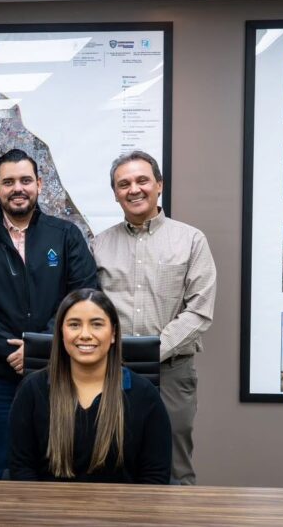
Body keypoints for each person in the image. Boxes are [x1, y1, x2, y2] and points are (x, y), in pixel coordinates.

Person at [0, 148, 99, 480]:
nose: (17, 188)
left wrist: (38, 346)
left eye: (25, 180)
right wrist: (12, 350)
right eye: (8, 182)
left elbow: (82, 296)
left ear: (39, 185)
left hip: (57, 371)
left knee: (61, 466)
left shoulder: (66, 235)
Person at [92, 150, 216, 485]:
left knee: (175, 469)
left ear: (159, 185)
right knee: (111, 464)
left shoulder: (191, 240)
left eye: (142, 180)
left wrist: (149, 352)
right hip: (111, 373)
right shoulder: (100, 245)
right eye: (124, 184)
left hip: (172, 373)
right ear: (115, 193)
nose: (134, 189)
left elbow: (199, 311)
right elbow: (92, 311)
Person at [8, 288, 172, 483]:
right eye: (74, 325)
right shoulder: (32, 390)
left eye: (96, 324)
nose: (85, 334)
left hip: (122, 503)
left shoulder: (145, 395)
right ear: (61, 333)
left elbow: (155, 477)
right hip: (47, 502)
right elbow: (21, 470)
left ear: (113, 333)